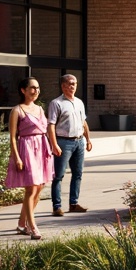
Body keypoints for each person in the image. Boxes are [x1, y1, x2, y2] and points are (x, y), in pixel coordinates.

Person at [7, 78, 53, 239]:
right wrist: (17, 158)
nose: (36, 91)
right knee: (31, 188)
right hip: (26, 149)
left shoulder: (40, 109)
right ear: (23, 90)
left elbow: (45, 130)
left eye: (38, 88)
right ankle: (32, 227)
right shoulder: (17, 110)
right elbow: (13, 137)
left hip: (41, 148)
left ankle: (22, 223)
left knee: (39, 188)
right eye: (32, 88)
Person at [46, 74, 92, 216]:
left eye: (75, 84)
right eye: (70, 84)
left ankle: (73, 203)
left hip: (79, 141)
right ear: (63, 86)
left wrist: (88, 140)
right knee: (58, 175)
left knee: (77, 174)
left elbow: (83, 122)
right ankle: (57, 207)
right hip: (63, 142)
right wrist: (54, 144)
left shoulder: (79, 102)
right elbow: (51, 125)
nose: (73, 86)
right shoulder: (56, 103)